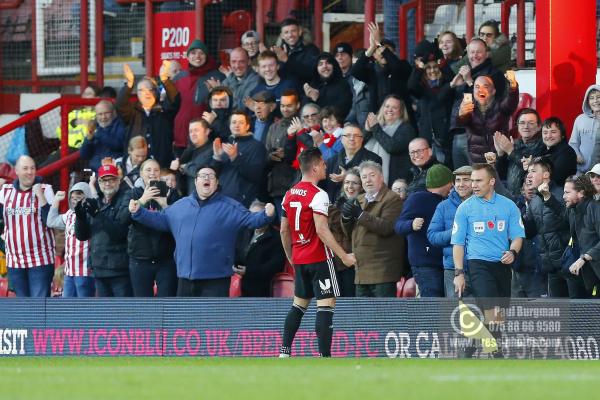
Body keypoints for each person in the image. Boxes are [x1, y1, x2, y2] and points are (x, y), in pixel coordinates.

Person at [130, 165, 275, 297]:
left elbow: (251, 220)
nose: (206, 178)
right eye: (202, 176)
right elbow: (161, 219)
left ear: (216, 183)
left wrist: (267, 214)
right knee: (186, 324)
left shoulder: (229, 207)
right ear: (195, 182)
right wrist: (139, 212)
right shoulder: (181, 205)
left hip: (216, 280)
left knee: (212, 325)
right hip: (185, 279)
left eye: (211, 176)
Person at [279, 147, 356, 357]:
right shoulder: (318, 194)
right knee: (326, 306)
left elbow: (284, 229)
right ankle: (324, 357)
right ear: (314, 167)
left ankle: (284, 352)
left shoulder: (289, 193)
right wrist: (344, 256)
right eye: (322, 164)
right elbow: (322, 229)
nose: (325, 167)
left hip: (300, 259)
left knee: (298, 305)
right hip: (320, 258)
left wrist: (291, 257)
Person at [452, 163, 525, 357]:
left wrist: (513, 252)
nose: (473, 185)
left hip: (502, 265)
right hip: (478, 264)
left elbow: (518, 235)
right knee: (491, 307)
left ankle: (473, 342)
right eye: (472, 181)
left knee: (499, 312)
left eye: (478, 180)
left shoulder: (508, 205)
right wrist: (459, 273)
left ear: (492, 181)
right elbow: (458, 243)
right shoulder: (465, 208)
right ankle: (495, 350)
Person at [342, 161, 405, 297]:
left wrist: (359, 214)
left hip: (383, 272)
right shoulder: (359, 199)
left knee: (383, 316)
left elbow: (386, 227)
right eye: (364, 177)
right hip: (361, 271)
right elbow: (348, 233)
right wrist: (346, 218)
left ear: (381, 177)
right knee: (363, 317)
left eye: (372, 175)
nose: (368, 180)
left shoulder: (392, 199)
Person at [0, 156, 55, 297]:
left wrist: (40, 197)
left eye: (32, 168)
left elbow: (51, 221)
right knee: (23, 307)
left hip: (40, 259)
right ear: (16, 171)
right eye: (25, 168)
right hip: (15, 261)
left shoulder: (46, 189)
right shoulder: (5, 191)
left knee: (39, 307)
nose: (30, 172)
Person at [75, 163, 132, 297]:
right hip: (98, 269)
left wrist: (98, 214)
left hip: (120, 270)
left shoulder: (126, 198)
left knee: (122, 314)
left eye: (111, 179)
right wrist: (81, 217)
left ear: (118, 180)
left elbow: (119, 233)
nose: (107, 183)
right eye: (103, 180)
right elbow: (82, 236)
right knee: (105, 315)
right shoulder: (96, 201)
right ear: (98, 182)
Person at [396, 164, 454, 297]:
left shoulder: (448, 200)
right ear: (446, 182)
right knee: (433, 304)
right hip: (425, 264)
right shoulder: (418, 198)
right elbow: (398, 226)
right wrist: (411, 224)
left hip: (443, 263)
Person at [522, 157, 576, 298]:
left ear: (546, 175)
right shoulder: (533, 201)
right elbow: (529, 232)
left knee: (578, 313)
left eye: (534, 171)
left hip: (570, 264)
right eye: (528, 172)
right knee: (559, 314)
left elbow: (572, 221)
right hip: (550, 268)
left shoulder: (561, 194)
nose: (529, 175)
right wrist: (517, 218)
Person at [126, 159, 179, 297]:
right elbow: (123, 220)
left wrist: (165, 204)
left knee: (166, 304)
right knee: (143, 305)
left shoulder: (171, 193)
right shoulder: (133, 193)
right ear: (141, 173)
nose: (153, 173)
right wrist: (143, 200)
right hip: (140, 258)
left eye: (156, 170)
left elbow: (179, 222)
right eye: (148, 170)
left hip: (165, 258)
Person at [117, 63, 179, 168]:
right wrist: (129, 84)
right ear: (136, 93)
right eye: (142, 90)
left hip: (161, 166)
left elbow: (175, 101)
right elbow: (120, 105)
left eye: (150, 90)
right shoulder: (132, 112)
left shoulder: (164, 111)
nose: (147, 93)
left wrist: (164, 79)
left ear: (156, 92)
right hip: (136, 168)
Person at [351, 22, 414, 126]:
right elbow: (355, 71)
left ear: (393, 54)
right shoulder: (371, 71)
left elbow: (396, 67)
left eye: (387, 51)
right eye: (378, 51)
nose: (382, 53)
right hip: (378, 120)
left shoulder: (403, 65)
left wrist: (379, 44)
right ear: (374, 55)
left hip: (402, 120)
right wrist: (372, 47)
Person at [427, 165, 474, 298]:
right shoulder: (443, 206)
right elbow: (432, 236)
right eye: (458, 180)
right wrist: (455, 231)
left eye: (466, 180)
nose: (461, 184)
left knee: (484, 314)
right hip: (453, 269)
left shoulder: (486, 204)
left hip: (482, 268)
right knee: (457, 314)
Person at [173, 39, 224, 155]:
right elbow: (172, 108)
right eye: (193, 53)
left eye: (201, 53)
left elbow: (225, 108)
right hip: (181, 136)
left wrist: (216, 92)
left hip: (205, 137)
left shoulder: (217, 77)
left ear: (206, 56)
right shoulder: (179, 77)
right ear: (187, 56)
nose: (197, 56)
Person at [409, 39, 455, 166]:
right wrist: (420, 65)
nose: (432, 70)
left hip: (445, 139)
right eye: (428, 68)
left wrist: (442, 63)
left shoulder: (448, 84)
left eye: (435, 67)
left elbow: (451, 78)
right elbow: (411, 86)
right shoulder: (422, 89)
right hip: (427, 138)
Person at [456, 73, 519, 164]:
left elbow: (511, 102)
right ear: (473, 91)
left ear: (493, 91)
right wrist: (461, 114)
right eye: (477, 87)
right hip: (476, 160)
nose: (480, 90)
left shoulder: (501, 106)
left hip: (499, 158)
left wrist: (513, 85)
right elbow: (460, 123)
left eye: (485, 86)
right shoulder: (469, 106)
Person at [47, 182, 95, 298]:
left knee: (84, 310)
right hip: (69, 272)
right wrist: (56, 201)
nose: (75, 200)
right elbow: (51, 222)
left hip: (85, 271)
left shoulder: (91, 214)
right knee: (67, 309)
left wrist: (92, 188)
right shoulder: (69, 214)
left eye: (79, 197)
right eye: (72, 198)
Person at [212, 110, 266, 207]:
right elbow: (214, 174)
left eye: (241, 122)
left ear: (247, 126)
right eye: (234, 122)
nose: (237, 125)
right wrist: (217, 157)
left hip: (242, 202)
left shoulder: (257, 146)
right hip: (221, 199)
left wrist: (235, 158)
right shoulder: (226, 144)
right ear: (229, 126)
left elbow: (256, 174)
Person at [234, 200, 285, 297]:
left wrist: (249, 271)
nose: (254, 219)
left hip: (262, 290)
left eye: (257, 215)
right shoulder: (243, 232)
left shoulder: (276, 238)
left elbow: (276, 265)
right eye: (251, 215)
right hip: (238, 287)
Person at [363, 95, 416, 185]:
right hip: (369, 179)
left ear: (401, 111)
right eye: (387, 106)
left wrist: (375, 128)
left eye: (394, 107)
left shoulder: (406, 129)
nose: (390, 110)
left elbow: (392, 147)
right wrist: (367, 130)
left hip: (395, 182)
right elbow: (359, 146)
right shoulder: (378, 126)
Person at [494, 108, 546, 197]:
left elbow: (528, 167)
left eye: (531, 123)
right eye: (522, 123)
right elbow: (501, 174)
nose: (526, 126)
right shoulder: (515, 143)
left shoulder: (543, 145)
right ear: (517, 126)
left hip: (531, 196)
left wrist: (510, 151)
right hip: (510, 195)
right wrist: (501, 154)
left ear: (539, 127)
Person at [325, 123, 382, 201]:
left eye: (356, 136)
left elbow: (375, 186)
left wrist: (348, 176)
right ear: (341, 139)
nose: (352, 138)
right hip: (335, 209)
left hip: (361, 206)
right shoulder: (331, 161)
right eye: (348, 135)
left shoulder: (373, 159)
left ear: (362, 139)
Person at [328, 167, 362, 297]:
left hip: (353, 263)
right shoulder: (336, 204)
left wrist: (331, 214)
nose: (350, 186)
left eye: (355, 183)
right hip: (335, 263)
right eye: (347, 182)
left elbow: (346, 228)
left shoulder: (363, 204)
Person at [563, 175, 600, 295]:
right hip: (579, 272)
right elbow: (559, 217)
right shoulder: (573, 209)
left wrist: (584, 257)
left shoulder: (595, 209)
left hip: (595, 272)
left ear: (581, 193)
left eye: (567, 192)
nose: (564, 196)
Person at [79, 100, 126, 172]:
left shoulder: (120, 125)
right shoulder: (94, 128)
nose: (103, 117)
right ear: (96, 115)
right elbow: (84, 155)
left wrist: (97, 133)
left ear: (113, 113)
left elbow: (118, 144)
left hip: (114, 169)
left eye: (106, 113)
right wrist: (88, 140)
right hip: (95, 170)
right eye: (100, 114)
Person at [170, 118, 214, 196]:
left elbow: (204, 174)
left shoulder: (213, 150)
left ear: (207, 132)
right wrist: (176, 169)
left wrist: (183, 167)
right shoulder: (189, 151)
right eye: (191, 131)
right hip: (190, 199)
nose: (193, 134)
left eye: (196, 130)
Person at [304, 52, 353, 119]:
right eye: (321, 64)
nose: (325, 66)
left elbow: (341, 111)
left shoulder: (343, 85)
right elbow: (306, 113)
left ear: (334, 66)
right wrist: (309, 97)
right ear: (316, 69)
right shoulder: (313, 85)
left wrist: (318, 99)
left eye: (328, 63)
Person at [272, 18, 320, 85]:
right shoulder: (278, 51)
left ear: (299, 32)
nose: (290, 35)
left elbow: (310, 72)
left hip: (304, 92)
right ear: (282, 36)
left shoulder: (311, 49)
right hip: (283, 91)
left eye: (293, 31)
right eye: (286, 32)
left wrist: (287, 60)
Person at [334, 42, 370, 130]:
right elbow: (356, 106)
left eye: (343, 54)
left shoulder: (366, 82)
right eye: (337, 55)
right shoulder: (334, 78)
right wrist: (348, 122)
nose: (340, 58)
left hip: (367, 127)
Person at [537, 117, 577, 187]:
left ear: (562, 135)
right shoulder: (541, 150)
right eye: (545, 132)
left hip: (560, 195)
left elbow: (554, 177)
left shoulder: (567, 152)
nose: (549, 136)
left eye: (553, 132)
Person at [569, 84, 600, 174]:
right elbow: (573, 143)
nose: (595, 101)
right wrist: (577, 155)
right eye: (591, 98)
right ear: (587, 101)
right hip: (580, 170)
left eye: (598, 97)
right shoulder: (580, 119)